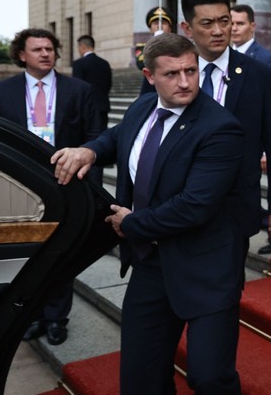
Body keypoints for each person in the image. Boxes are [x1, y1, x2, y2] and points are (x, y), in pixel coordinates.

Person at [51, 33, 246, 394]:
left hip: (205, 268)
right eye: (172, 74)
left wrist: (131, 223)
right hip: (150, 263)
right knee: (141, 377)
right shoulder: (142, 107)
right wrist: (90, 151)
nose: (185, 82)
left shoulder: (221, 127)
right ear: (149, 76)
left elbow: (194, 206)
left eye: (191, 71)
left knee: (209, 377)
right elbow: (118, 137)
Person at [0, 28, 100, 346]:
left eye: (50, 48)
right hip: (20, 187)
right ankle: (31, 316)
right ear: (22, 55)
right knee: (28, 255)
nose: (46, 54)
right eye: (37, 49)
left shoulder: (79, 90)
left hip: (66, 184)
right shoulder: (2, 91)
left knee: (61, 254)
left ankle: (56, 318)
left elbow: (94, 136)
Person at [180, 0, 271, 257]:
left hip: (235, 206)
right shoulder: (172, 71)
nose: (218, 31)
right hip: (178, 203)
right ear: (187, 28)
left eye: (224, 21)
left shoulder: (258, 74)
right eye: (207, 23)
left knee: (229, 280)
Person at [230, 3, 271, 130]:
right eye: (231, 23)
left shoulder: (268, 60)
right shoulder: (223, 57)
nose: (234, 28)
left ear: (252, 27)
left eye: (240, 24)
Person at [73, 34, 112, 132]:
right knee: (102, 135)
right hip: (102, 106)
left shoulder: (79, 64)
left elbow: (76, 88)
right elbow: (108, 84)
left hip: (86, 108)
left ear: (82, 46)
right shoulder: (104, 63)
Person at [138, 6, 176, 95]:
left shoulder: (177, 46)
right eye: (155, 23)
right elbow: (141, 64)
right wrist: (156, 43)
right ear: (150, 29)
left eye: (164, 23)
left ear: (170, 28)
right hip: (150, 89)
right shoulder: (142, 47)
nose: (159, 26)